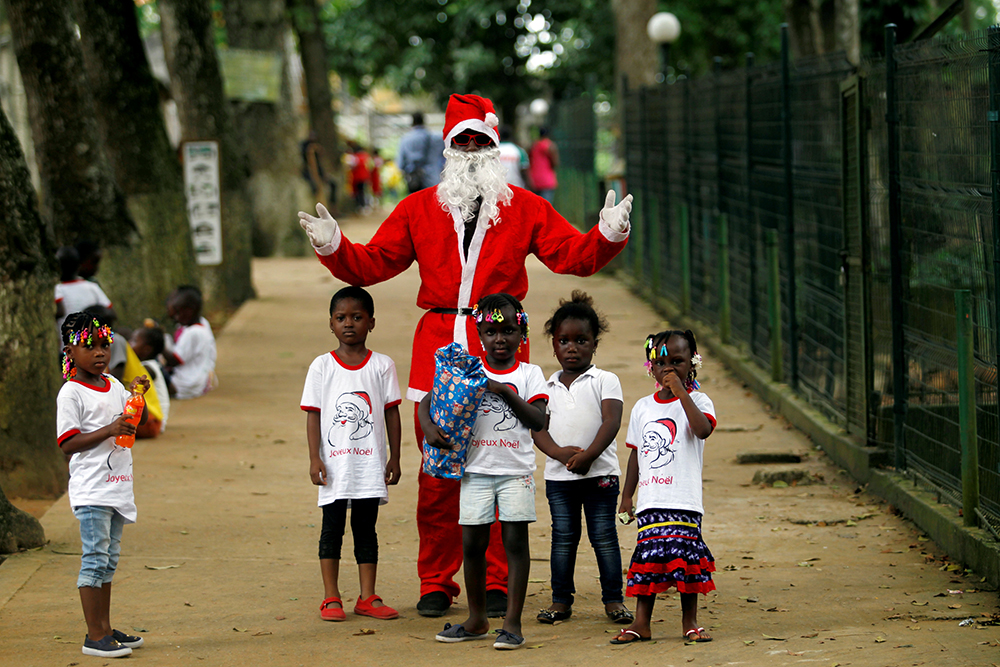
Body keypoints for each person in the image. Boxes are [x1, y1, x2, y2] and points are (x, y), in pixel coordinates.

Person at [298, 92, 633, 619]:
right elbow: (373, 263)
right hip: (438, 344)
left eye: (483, 141)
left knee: (503, 460)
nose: (473, 149)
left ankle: (497, 580)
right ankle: (437, 580)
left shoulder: (526, 207)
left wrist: (607, 234)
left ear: (496, 148)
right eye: (464, 140)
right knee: (438, 475)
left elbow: (572, 255)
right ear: (449, 148)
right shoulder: (416, 209)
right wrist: (334, 246)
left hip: (500, 340)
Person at [420, 293, 546, 650]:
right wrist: (428, 427)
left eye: (508, 330)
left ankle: (512, 623)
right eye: (491, 331)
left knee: (513, 544)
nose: (500, 339)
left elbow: (538, 420)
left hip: (515, 473)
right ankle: (476, 619)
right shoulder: (467, 368)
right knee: (472, 543)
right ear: (479, 334)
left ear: (522, 334)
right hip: (474, 471)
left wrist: (500, 391)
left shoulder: (529, 374)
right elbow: (430, 399)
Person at [301, 286, 403, 622]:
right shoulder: (321, 366)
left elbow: (391, 413)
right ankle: (331, 597)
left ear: (371, 322)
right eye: (341, 317)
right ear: (330, 323)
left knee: (366, 529)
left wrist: (395, 457)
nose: (349, 324)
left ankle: (367, 596)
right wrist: (315, 458)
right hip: (334, 465)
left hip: (369, 465)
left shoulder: (382, 365)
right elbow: (313, 413)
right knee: (331, 529)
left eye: (357, 317)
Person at [531, 291, 632, 626]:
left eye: (581, 340)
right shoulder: (546, 386)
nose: (571, 347)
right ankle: (561, 601)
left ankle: (614, 600)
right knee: (563, 538)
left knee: (603, 536)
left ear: (595, 344)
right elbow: (538, 429)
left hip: (600, 475)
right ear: (554, 344)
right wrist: (559, 454)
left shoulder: (605, 380)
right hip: (560, 479)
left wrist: (589, 455)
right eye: (563, 340)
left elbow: (611, 421)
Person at [612, 330, 717, 645]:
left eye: (677, 361)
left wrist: (682, 393)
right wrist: (627, 495)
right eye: (660, 363)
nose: (668, 369)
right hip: (651, 499)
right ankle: (641, 623)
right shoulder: (643, 407)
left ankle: (690, 622)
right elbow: (636, 453)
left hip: (684, 499)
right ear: (650, 368)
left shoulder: (699, 400)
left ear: (692, 363)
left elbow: (702, 430)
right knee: (649, 562)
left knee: (686, 563)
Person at [56, 312, 150, 659]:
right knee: (94, 560)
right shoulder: (71, 393)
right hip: (92, 489)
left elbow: (128, 415)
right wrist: (109, 430)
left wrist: (138, 394)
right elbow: (67, 443)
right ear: (70, 351)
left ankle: (106, 628)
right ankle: (94, 635)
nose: (99, 353)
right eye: (89, 346)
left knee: (109, 560)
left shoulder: (112, 384)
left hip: (116, 486)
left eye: (104, 345)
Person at [162, 286, 217, 399]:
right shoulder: (201, 327)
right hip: (198, 381)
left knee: (152, 370)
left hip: (185, 384)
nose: (176, 317)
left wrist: (159, 344)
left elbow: (176, 360)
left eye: (178, 313)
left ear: (189, 311)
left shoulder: (192, 333)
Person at [55, 245, 115, 335]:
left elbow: (60, 312)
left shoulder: (58, 289)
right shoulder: (92, 287)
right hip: (93, 341)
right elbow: (111, 313)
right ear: (78, 265)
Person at [129, 323, 170, 437]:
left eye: (134, 341)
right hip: (153, 421)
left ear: (146, 349)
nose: (129, 344)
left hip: (152, 421)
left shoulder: (148, 368)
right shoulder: (151, 365)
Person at [397, 111, 444, 193]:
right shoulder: (436, 138)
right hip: (433, 180)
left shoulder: (405, 140)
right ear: (423, 121)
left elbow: (401, 164)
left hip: (414, 181)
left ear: (412, 122)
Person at [528, 127, 559, 203]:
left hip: (534, 180)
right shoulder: (550, 146)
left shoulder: (534, 146)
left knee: (536, 206)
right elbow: (555, 163)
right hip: (547, 180)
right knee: (546, 206)